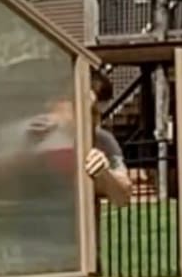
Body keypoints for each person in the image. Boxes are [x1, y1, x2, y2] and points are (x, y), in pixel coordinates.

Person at [25, 71, 132, 208]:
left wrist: (104, 173)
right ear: (60, 103)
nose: (96, 120)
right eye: (90, 111)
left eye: (99, 114)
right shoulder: (33, 131)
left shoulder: (102, 141)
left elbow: (123, 197)